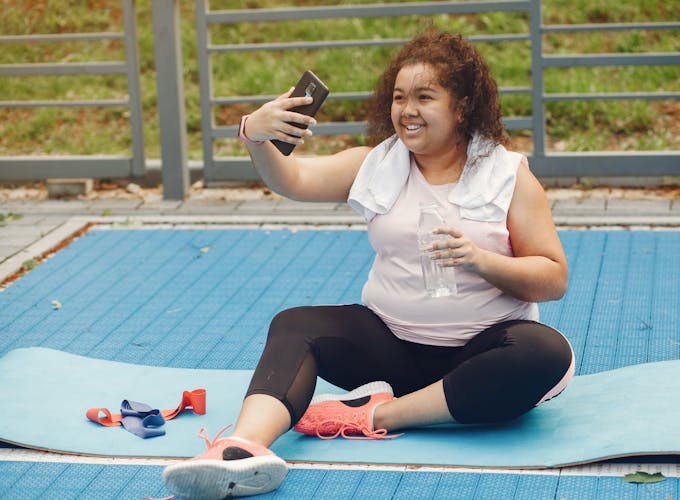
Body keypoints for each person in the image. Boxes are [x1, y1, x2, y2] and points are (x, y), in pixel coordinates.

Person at [163, 29, 575, 499]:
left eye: (425, 96)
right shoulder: (377, 165)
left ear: (462, 107)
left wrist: (481, 262)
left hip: (480, 355)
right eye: (399, 97)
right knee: (294, 325)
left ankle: (374, 415)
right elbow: (293, 180)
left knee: (546, 353)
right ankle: (241, 451)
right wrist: (255, 136)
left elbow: (553, 277)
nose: (407, 110)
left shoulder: (507, 175)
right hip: (391, 349)